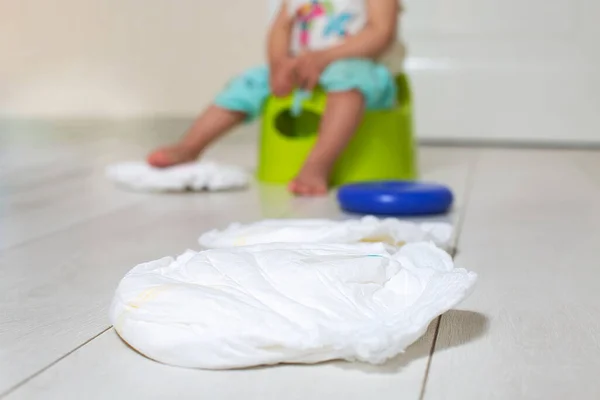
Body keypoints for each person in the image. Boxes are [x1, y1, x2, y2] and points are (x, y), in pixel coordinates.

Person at [148, 0, 404, 196]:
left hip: (363, 69)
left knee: (347, 83)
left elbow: (380, 33)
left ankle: (317, 167)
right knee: (248, 83)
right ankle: (190, 146)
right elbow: (280, 29)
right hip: (301, 68)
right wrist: (278, 64)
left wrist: (324, 58)